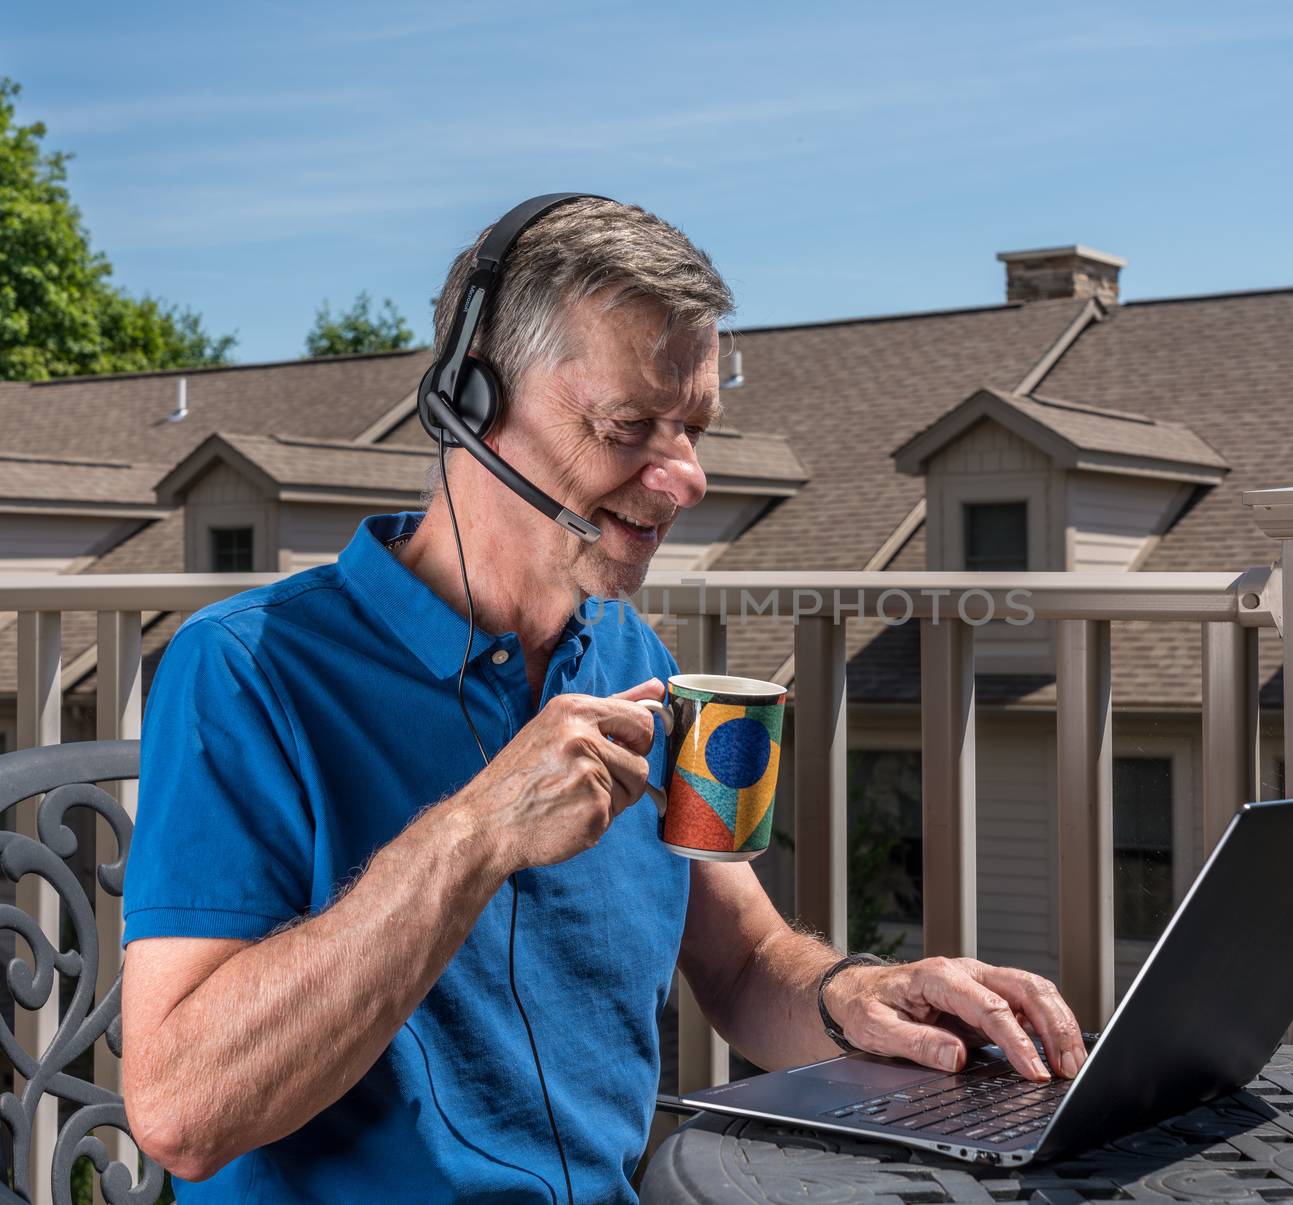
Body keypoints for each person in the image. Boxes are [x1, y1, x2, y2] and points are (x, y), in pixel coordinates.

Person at [120, 198, 1087, 1203]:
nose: (686, 477)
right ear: (466, 400)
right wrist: (475, 832)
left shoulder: (636, 657)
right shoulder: (244, 668)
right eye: (631, 426)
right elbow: (186, 1114)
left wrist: (866, 994)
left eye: (695, 427)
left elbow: (748, 964)